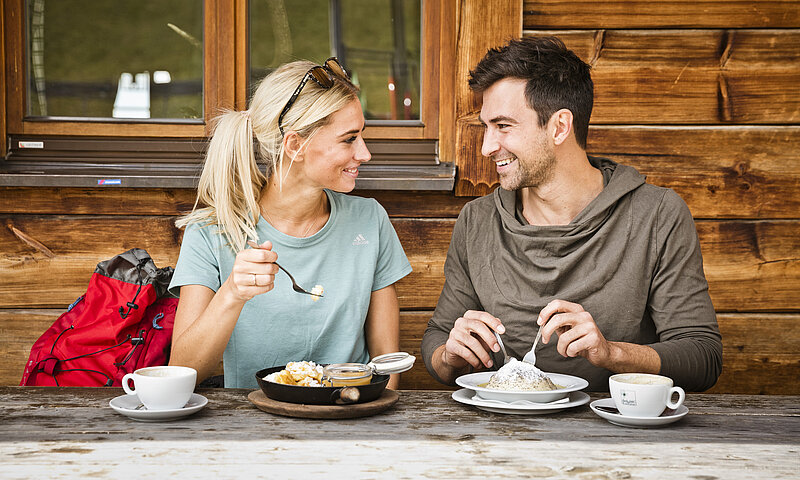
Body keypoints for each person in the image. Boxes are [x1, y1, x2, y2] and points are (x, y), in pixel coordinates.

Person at [421, 37, 722, 392]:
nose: (487, 147)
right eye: (486, 127)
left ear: (560, 126)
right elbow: (439, 339)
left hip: (613, 423)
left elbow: (703, 357)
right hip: (501, 422)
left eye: (503, 126)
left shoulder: (656, 215)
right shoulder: (477, 221)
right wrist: (449, 355)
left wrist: (611, 353)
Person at [169, 58, 412, 389]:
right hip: (249, 417)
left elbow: (387, 367)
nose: (364, 153)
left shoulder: (370, 221)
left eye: (361, 136)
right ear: (296, 145)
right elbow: (183, 370)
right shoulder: (212, 231)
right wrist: (232, 294)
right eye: (349, 139)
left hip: (348, 411)